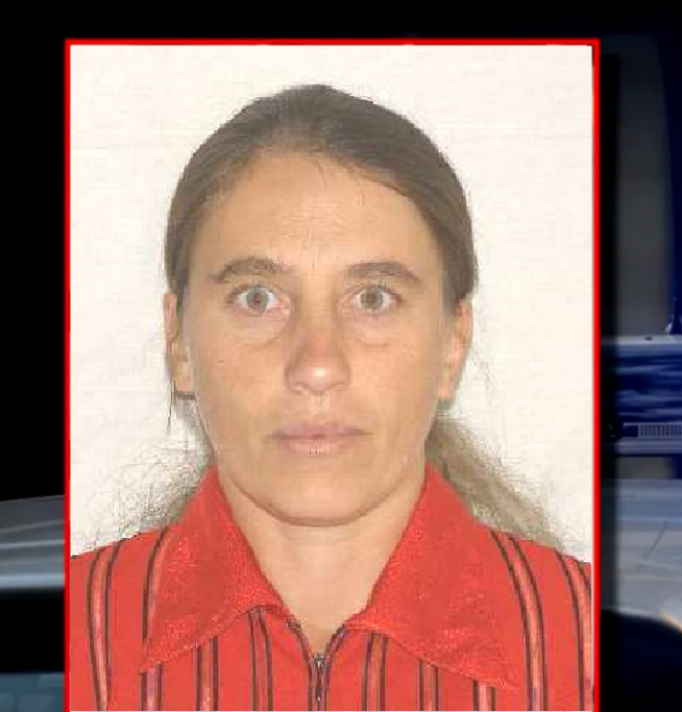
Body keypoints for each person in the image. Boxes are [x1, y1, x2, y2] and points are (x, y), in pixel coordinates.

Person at [69, 84, 592, 711]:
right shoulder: (71, 639)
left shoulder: (587, 643)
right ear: (179, 342)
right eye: (257, 298)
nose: (317, 366)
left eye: (373, 298)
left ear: (452, 344)